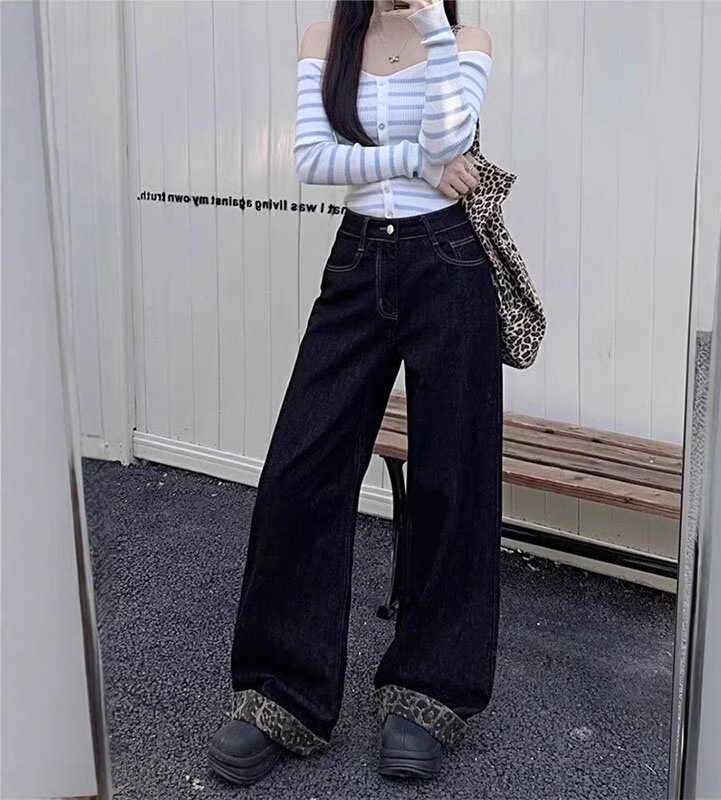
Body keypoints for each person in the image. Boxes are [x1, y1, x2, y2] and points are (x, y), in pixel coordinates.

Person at [208, 0, 501, 785]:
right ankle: (282, 695)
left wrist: (434, 29)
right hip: (359, 258)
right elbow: (314, 159)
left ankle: (427, 694)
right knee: (300, 469)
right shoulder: (326, 40)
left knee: (452, 477)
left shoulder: (466, 40)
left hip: (450, 261)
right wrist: (413, 163)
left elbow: (452, 143)